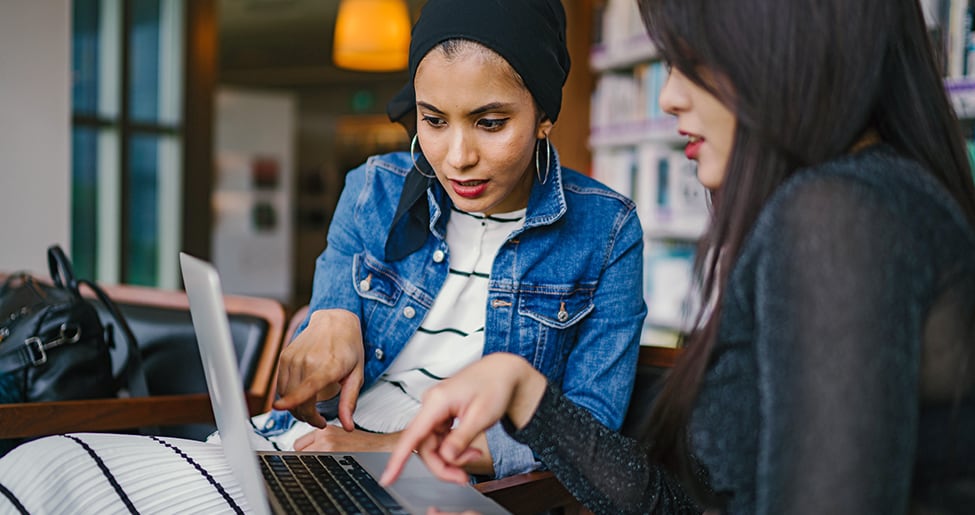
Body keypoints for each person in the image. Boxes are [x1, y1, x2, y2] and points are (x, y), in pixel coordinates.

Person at [0, 0, 646, 511]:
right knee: (41, 462)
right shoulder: (376, 186)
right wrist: (329, 313)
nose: (455, 156)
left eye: (489, 121)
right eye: (433, 119)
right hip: (300, 447)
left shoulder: (606, 230)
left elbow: (583, 435)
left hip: (431, 481)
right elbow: (322, 334)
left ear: (542, 115)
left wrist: (379, 445)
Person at [383, 0, 975, 513]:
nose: (668, 96)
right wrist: (524, 393)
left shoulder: (839, 216)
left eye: (691, 61)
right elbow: (681, 504)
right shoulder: (860, 201)